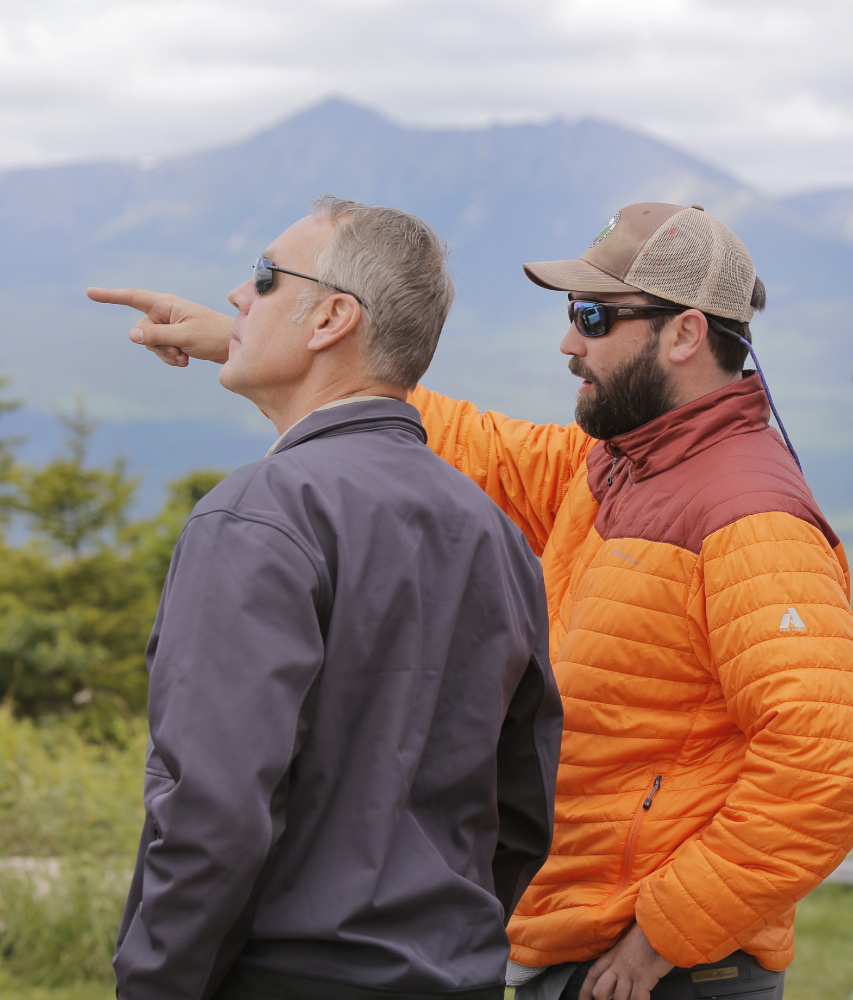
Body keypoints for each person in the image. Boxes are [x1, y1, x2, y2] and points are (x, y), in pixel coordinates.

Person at [90, 201, 853, 1000]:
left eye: (591, 317)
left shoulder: (748, 518)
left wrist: (663, 936)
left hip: (661, 973)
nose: (567, 342)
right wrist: (262, 341)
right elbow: (453, 441)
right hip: (578, 951)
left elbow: (826, 765)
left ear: (684, 334)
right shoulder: (613, 468)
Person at [90, 196, 563, 1000]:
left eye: (264, 277)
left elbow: (212, 813)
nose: (238, 297)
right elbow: (522, 802)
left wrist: (154, 984)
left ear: (331, 318)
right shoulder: (492, 531)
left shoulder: (259, 515)